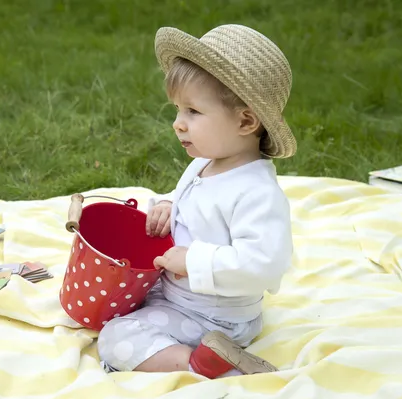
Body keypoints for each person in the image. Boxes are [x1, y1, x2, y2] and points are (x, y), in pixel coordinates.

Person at [97, 23, 296, 379]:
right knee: (111, 300)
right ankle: (184, 349)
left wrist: (194, 260)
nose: (178, 124)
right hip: (178, 296)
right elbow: (192, 199)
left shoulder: (257, 193)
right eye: (177, 110)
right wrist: (168, 205)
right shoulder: (205, 163)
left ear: (246, 120)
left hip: (214, 316)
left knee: (117, 336)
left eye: (193, 112)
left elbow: (265, 264)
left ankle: (204, 363)